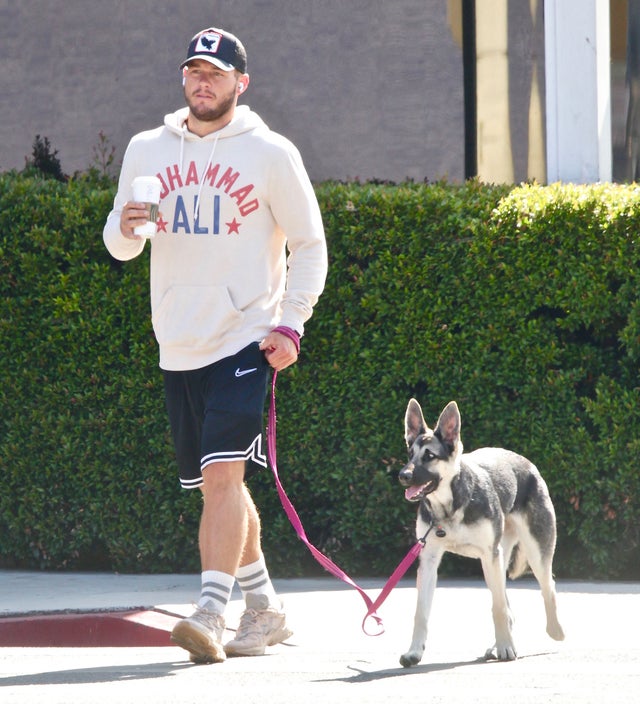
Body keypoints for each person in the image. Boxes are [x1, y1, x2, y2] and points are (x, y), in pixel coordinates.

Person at [103, 26, 327, 664]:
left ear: (241, 83)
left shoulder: (270, 153)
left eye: (217, 73)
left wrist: (292, 322)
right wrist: (123, 227)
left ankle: (210, 610)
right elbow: (119, 245)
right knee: (215, 483)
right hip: (177, 339)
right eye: (195, 71)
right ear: (185, 79)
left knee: (224, 474)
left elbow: (309, 243)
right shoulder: (147, 148)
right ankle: (265, 609)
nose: (203, 82)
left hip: (245, 337)